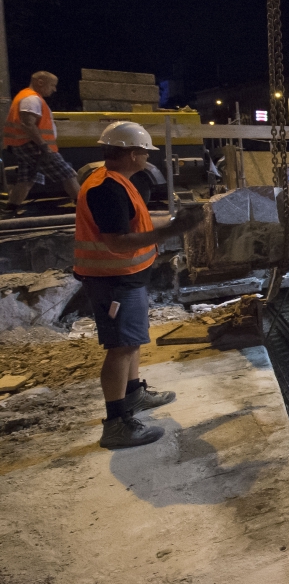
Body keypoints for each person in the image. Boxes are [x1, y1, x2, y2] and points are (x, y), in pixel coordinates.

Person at [75, 121, 205, 449]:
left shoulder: (121, 182)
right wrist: (172, 232)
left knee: (131, 342)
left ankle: (134, 396)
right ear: (132, 154)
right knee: (120, 347)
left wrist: (174, 223)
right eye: (145, 153)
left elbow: (137, 224)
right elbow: (118, 242)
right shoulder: (106, 188)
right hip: (114, 281)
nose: (148, 158)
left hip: (126, 278)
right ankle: (116, 423)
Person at [3, 71, 81, 214]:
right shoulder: (31, 99)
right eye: (52, 85)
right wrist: (44, 146)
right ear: (40, 82)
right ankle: (85, 207)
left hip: (24, 145)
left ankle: (10, 209)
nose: (54, 89)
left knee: (26, 179)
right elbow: (28, 125)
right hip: (35, 146)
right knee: (68, 174)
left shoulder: (26, 96)